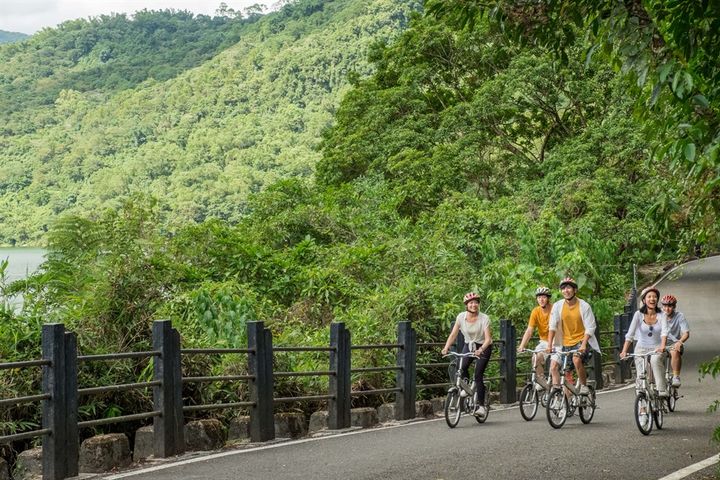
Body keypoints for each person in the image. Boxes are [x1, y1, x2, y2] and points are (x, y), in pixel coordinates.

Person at [442, 292, 493, 418]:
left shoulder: (484, 318)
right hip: (469, 345)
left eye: (476, 302)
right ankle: (466, 386)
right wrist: (446, 347)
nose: (474, 305)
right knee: (461, 367)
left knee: (478, 374)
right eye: (471, 303)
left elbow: (488, 339)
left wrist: (481, 349)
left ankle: (481, 406)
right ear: (466, 305)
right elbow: (453, 334)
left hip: (483, 346)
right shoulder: (461, 317)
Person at [545, 277, 600, 395]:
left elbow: (590, 327)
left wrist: (584, 344)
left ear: (575, 290)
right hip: (564, 343)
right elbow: (552, 326)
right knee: (565, 371)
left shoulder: (584, 306)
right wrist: (549, 344)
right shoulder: (558, 306)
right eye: (563, 288)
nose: (566, 290)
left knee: (576, 359)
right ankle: (566, 401)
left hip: (582, 341)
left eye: (569, 288)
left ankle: (584, 385)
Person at [620, 286, 668, 396]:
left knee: (655, 361)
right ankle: (642, 404)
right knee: (641, 375)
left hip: (657, 348)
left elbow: (664, 332)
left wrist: (662, 346)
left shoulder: (662, 315)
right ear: (644, 300)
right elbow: (630, 335)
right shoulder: (638, 315)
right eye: (649, 297)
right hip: (641, 348)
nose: (652, 299)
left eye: (655, 297)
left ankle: (661, 389)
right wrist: (624, 351)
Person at [517, 286, 552, 391]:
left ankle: (556, 386)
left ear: (548, 298)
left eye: (544, 297)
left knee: (556, 366)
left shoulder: (554, 309)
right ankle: (542, 381)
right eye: (539, 297)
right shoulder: (535, 311)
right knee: (535, 357)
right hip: (544, 341)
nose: (541, 299)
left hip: (557, 340)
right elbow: (529, 330)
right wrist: (522, 346)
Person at [660, 294, 690, 387]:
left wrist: (679, 342)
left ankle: (676, 376)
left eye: (669, 306)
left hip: (674, 342)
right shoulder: (658, 315)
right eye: (664, 306)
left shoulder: (679, 316)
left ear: (674, 307)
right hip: (660, 342)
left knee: (675, 351)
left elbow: (686, 333)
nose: (667, 309)